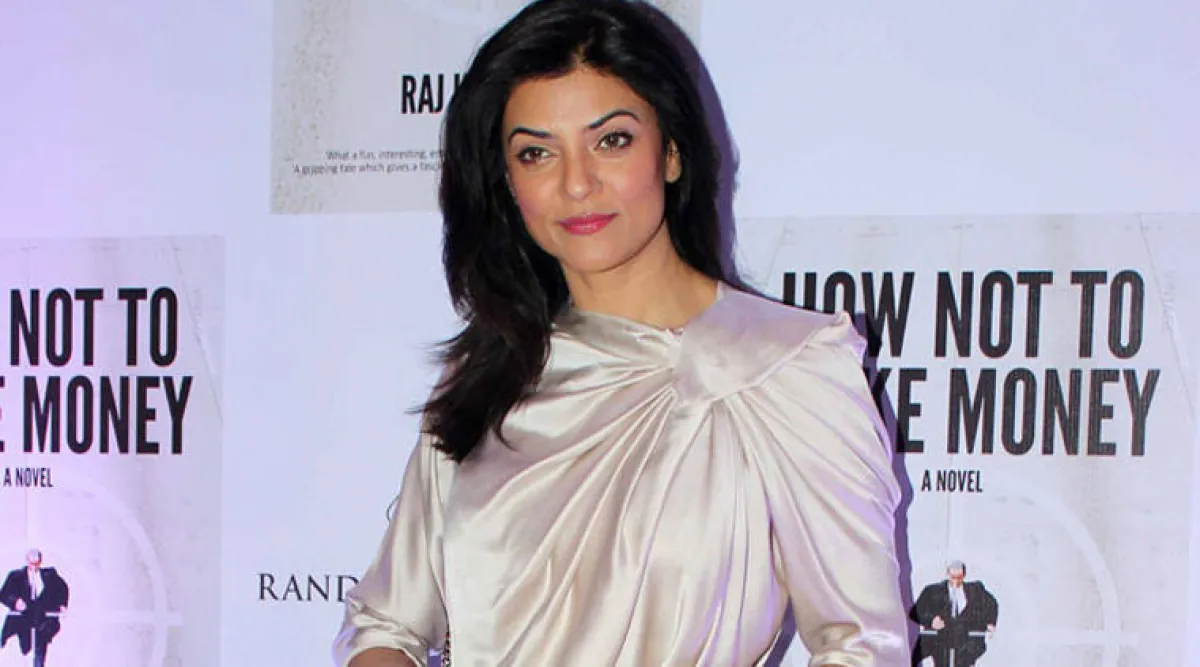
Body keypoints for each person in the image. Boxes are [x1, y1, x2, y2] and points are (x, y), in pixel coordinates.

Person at [333, 0, 910, 665]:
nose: (576, 184)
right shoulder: (488, 376)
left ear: (672, 151)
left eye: (611, 141)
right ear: (507, 183)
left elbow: (861, 645)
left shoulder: (784, 367)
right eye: (536, 153)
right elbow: (385, 622)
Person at [909, 561, 998, 667]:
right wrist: (931, 620)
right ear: (947, 574)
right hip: (941, 643)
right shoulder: (932, 591)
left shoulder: (976, 590)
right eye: (953, 577)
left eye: (959, 577)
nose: (956, 581)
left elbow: (991, 604)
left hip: (965, 644)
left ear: (964, 575)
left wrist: (990, 622)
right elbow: (915, 612)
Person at [0, 549, 69, 667]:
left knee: (40, 650)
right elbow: (4, 594)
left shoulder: (50, 575)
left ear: (40, 562)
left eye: (36, 563)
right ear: (27, 561)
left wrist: (62, 604)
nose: (33, 567)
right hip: (21, 621)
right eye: (31, 563)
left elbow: (62, 589)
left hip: (42, 621)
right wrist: (15, 602)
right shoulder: (15, 576)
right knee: (21, 651)